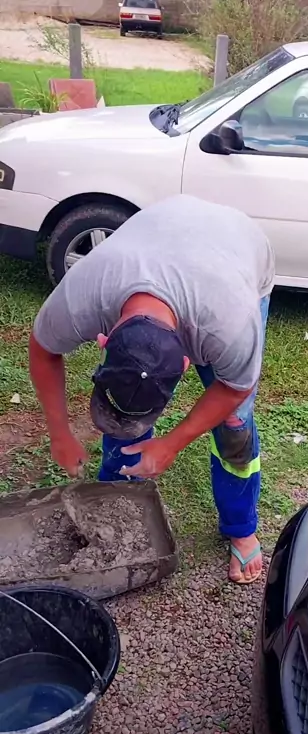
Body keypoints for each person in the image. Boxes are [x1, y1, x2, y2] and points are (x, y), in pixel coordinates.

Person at [29, 195, 275, 585]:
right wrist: (59, 432)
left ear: (186, 363)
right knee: (123, 409)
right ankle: (117, 499)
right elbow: (43, 351)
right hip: (164, 228)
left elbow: (233, 389)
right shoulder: (83, 296)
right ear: (103, 340)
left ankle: (241, 527)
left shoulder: (230, 326)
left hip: (237, 246)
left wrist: (172, 444)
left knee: (234, 426)